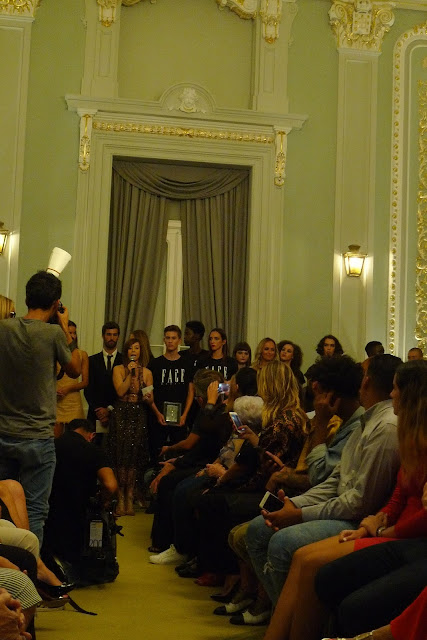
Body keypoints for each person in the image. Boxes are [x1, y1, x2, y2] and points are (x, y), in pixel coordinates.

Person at [260, 359, 427, 640]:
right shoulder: (401, 431)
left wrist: (382, 529)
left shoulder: (387, 426)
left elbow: (354, 497)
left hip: (403, 535)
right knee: (300, 556)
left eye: (397, 389)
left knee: (298, 555)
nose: (392, 395)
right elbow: (396, 494)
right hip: (385, 526)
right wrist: (377, 521)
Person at [245, 354, 401, 607]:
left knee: (282, 543)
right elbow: (336, 478)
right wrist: (295, 504)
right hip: (342, 507)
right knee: (257, 529)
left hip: (357, 520)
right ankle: (285, 616)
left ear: (366, 381)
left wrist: (300, 513)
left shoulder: (385, 428)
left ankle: (293, 620)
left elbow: (359, 502)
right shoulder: (368, 421)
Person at [0, 270, 81, 545]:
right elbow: (75, 369)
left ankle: (9, 565)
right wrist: (65, 326)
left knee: (4, 508)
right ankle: (31, 565)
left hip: (4, 432)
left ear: (27, 298)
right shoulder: (53, 334)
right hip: (37, 436)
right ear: (56, 304)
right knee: (34, 510)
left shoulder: (4, 329)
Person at [148, 369, 232, 559]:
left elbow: (192, 443)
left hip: (211, 463)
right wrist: (177, 461)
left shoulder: (220, 412)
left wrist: (174, 456)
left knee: (176, 487)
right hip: (202, 458)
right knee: (168, 479)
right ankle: (164, 541)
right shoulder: (214, 411)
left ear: (200, 399)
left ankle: (177, 546)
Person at [43, 418, 118, 567]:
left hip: (48, 513)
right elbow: (110, 485)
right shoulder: (94, 451)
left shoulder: (50, 447)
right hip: (78, 515)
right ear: (92, 435)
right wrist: (103, 500)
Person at [110, 338, 153, 515]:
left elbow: (150, 397)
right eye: (130, 348)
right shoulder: (118, 369)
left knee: (134, 455)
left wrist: (147, 396)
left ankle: (130, 496)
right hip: (121, 412)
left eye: (136, 348)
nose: (133, 351)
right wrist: (130, 374)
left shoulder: (148, 372)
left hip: (138, 413)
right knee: (120, 454)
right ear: (126, 352)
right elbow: (120, 391)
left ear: (141, 351)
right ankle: (120, 497)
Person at [149, 325, 195, 452]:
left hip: (180, 418)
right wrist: (157, 413)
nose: (170, 341)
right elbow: (149, 392)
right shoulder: (155, 364)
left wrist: (184, 415)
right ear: (164, 340)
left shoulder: (187, 364)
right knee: (156, 452)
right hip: (158, 417)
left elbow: (190, 392)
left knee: (178, 453)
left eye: (173, 338)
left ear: (179, 340)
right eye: (168, 338)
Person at [84, 321, 123, 430]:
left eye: (115, 335)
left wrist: (109, 409)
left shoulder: (124, 361)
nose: (112, 338)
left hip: (117, 413)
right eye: (108, 334)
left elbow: (124, 390)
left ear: (118, 337)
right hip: (95, 414)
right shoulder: (91, 360)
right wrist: (99, 410)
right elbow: (88, 389)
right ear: (103, 336)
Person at [55, 320, 88, 437]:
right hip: (57, 401)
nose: (72, 336)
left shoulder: (81, 354)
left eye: (74, 333)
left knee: (76, 439)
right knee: (56, 441)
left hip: (74, 402)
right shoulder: (55, 353)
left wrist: (68, 389)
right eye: (69, 333)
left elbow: (85, 382)